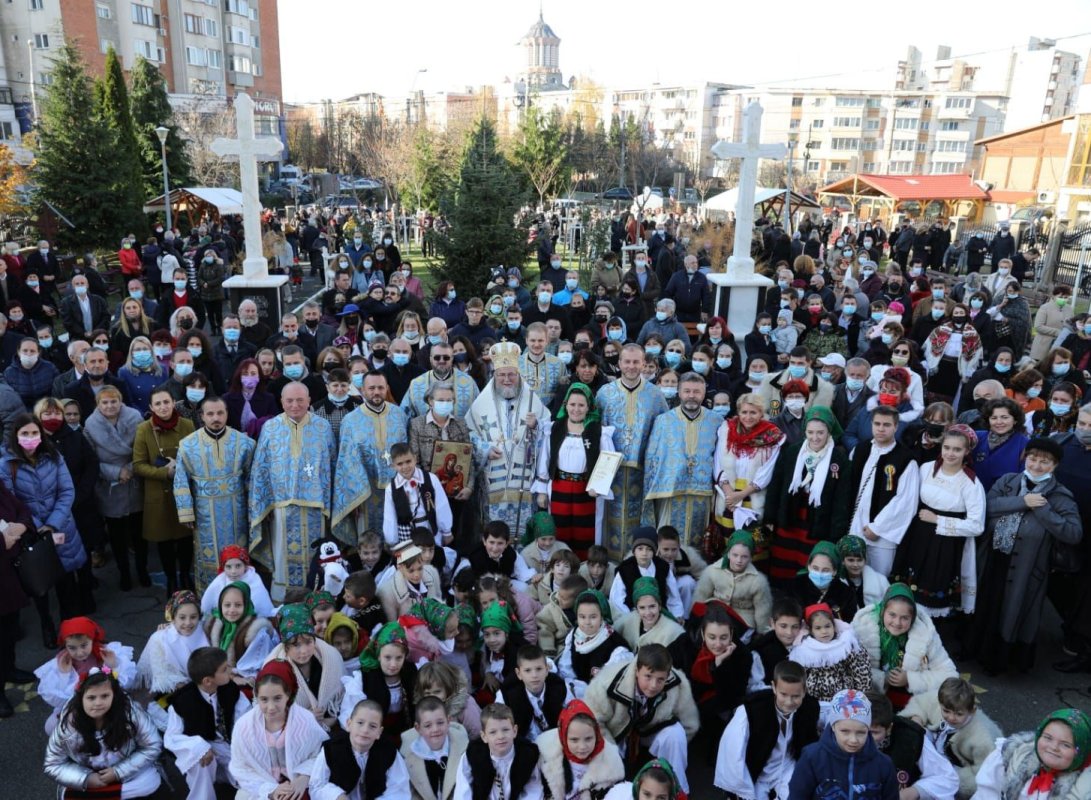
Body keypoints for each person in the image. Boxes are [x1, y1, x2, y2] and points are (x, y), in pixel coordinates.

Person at [967, 436, 1082, 674]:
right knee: (986, 606)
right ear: (1024, 458)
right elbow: (986, 507)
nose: (1037, 466)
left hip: (1027, 567)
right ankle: (974, 650)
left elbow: (1073, 533)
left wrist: (1043, 508)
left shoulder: (1060, 495)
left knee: (1012, 613)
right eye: (1032, 459)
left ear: (1055, 465)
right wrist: (1023, 502)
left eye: (1045, 462)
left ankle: (1000, 661)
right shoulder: (1008, 481)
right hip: (993, 559)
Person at [0, 412, 91, 631]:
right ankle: (47, 626)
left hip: (61, 526)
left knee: (66, 581)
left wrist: (52, 524)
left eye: (34, 433)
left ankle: (69, 628)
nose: (30, 438)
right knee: (38, 583)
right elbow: (12, 503)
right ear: (16, 436)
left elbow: (67, 491)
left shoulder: (54, 456)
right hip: (30, 532)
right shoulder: (6, 464)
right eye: (25, 433)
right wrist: (38, 526)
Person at [249, 382, 336, 601]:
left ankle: (316, 600)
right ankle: (282, 602)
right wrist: (264, 506)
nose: (295, 405)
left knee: (315, 556)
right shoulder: (270, 428)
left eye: (300, 400)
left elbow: (332, 466)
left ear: (309, 401)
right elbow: (261, 469)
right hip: (281, 507)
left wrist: (333, 503)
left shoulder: (323, 427)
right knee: (282, 559)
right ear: (281, 402)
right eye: (289, 401)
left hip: (315, 507)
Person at [890, 426, 986, 620]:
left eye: (957, 449)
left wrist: (938, 520)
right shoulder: (926, 468)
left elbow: (977, 525)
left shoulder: (971, 483)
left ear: (967, 451)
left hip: (945, 543)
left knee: (932, 586)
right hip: (917, 535)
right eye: (947, 447)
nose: (950, 453)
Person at [585, 643, 700, 793]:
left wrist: (663, 752)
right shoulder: (606, 683)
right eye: (648, 676)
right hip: (616, 735)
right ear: (637, 670)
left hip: (649, 732)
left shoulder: (677, 683)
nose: (653, 685)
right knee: (609, 773)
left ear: (668, 675)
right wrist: (611, 753)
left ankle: (676, 789)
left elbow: (689, 724)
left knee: (675, 734)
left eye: (660, 679)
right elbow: (593, 722)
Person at [174, 396, 256, 593]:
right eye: (210, 414)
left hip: (237, 512)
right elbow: (181, 480)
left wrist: (254, 510)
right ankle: (210, 598)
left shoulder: (245, 443)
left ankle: (241, 597)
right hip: (204, 514)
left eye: (220, 413)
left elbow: (253, 479)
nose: (215, 418)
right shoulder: (188, 445)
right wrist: (186, 512)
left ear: (227, 414)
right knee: (207, 557)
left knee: (237, 554)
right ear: (202, 416)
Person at [595, 343, 669, 561]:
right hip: (611, 471)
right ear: (619, 363)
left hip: (642, 470)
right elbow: (596, 428)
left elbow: (663, 432)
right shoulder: (605, 393)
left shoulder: (655, 395)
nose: (631, 366)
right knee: (608, 517)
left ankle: (636, 562)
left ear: (644, 364)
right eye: (627, 361)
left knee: (639, 518)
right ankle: (609, 562)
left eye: (636, 362)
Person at [466, 342, 547, 542]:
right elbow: (469, 435)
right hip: (494, 479)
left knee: (523, 531)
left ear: (519, 375)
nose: (507, 379)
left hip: (524, 480)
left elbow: (547, 436)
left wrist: (536, 426)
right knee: (494, 532)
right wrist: (485, 449)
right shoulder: (480, 405)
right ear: (494, 375)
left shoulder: (533, 402)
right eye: (501, 375)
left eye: (511, 374)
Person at [764, 406, 852, 583]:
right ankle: (781, 591)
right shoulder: (792, 451)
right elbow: (776, 485)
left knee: (808, 558)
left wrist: (836, 533)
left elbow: (842, 500)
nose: (815, 437)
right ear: (805, 431)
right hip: (790, 514)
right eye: (810, 432)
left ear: (829, 432)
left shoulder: (839, 459)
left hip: (818, 519)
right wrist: (770, 517)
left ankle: (803, 591)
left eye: (820, 432)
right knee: (784, 559)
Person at [43, 669, 163, 797]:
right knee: (68, 790)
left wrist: (118, 772)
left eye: (105, 696)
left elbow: (153, 745)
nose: (98, 703)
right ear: (81, 698)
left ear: (114, 695)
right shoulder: (68, 724)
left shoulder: (130, 713)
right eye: (91, 698)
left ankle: (102, 795)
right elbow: (52, 765)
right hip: (90, 775)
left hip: (124, 770)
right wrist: (86, 779)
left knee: (151, 781)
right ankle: (111, 794)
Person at [531, 382, 616, 560]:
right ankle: (560, 566)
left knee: (585, 532)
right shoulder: (555, 428)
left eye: (581, 405)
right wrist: (542, 490)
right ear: (566, 405)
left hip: (586, 490)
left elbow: (608, 460)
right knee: (560, 529)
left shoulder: (598, 431)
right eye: (572, 404)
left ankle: (585, 567)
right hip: (559, 486)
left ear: (589, 407)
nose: (576, 409)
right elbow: (545, 458)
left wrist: (599, 486)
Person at [715, 659, 821, 800]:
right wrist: (739, 788)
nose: (789, 702)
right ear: (774, 687)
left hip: (788, 767)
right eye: (783, 694)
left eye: (796, 696)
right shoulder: (752, 710)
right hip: (759, 771)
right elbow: (732, 751)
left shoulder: (810, 707)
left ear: (804, 691)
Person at [228, 659, 329, 800]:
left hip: (298, 785)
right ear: (256, 696)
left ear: (289, 694)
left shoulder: (305, 720)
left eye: (277, 698)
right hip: (260, 787)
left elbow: (322, 754)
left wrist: (304, 776)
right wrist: (271, 790)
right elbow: (240, 768)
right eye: (264, 699)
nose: (271, 707)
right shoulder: (244, 727)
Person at [641, 373, 721, 545]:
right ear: (679, 392)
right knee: (668, 540)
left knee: (699, 541)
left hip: (702, 491)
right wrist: (650, 487)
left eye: (697, 392)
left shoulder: (716, 420)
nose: (691, 396)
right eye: (687, 391)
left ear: (704, 393)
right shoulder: (663, 421)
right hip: (670, 490)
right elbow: (652, 457)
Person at [164, 645, 251, 800]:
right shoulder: (182, 702)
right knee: (199, 760)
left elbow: (245, 719)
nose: (230, 670)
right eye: (224, 669)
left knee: (249, 779)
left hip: (230, 746)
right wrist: (199, 746)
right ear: (208, 681)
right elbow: (171, 738)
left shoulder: (230, 689)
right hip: (204, 751)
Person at [853, 583, 958, 712]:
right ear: (883, 611)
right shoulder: (864, 629)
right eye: (892, 615)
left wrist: (910, 679)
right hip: (872, 702)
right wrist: (882, 678)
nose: (897, 623)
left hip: (913, 703)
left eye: (905, 618)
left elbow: (950, 675)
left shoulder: (925, 633)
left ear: (912, 618)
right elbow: (851, 671)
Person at [130, 388, 194, 596]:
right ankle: (171, 579)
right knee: (164, 541)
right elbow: (138, 465)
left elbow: (196, 456)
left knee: (185, 539)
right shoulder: (143, 429)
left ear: (174, 402)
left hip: (184, 493)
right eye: (157, 404)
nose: (163, 407)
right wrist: (164, 473)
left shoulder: (187, 425)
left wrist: (181, 469)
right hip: (159, 493)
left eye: (166, 402)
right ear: (151, 407)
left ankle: (185, 576)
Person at [333, 371, 409, 539]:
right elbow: (345, 462)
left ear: (387, 388)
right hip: (365, 492)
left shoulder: (399, 415)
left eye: (380, 388)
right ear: (363, 389)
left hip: (397, 488)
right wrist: (352, 498)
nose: (376, 392)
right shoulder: (350, 421)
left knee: (397, 537)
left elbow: (408, 451)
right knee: (368, 541)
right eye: (371, 388)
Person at [83, 386, 146, 591]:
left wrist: (130, 468)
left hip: (134, 481)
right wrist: (115, 472)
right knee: (117, 536)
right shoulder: (90, 425)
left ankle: (143, 570)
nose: (110, 406)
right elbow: (90, 459)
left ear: (121, 401)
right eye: (105, 402)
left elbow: (143, 448)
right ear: (98, 404)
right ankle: (124, 573)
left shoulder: (135, 417)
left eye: (113, 401)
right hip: (109, 485)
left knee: (139, 534)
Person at [848, 405, 921, 577]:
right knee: (852, 578)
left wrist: (878, 528)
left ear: (896, 426)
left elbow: (905, 501)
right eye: (877, 424)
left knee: (878, 581)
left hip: (882, 536)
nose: (881, 429)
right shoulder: (860, 450)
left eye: (886, 425)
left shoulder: (905, 459)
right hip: (855, 528)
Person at [901, 677, 1002, 799]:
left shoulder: (983, 738)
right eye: (946, 711)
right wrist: (917, 718)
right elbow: (920, 702)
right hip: (938, 752)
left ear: (972, 711)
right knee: (911, 733)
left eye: (959, 714)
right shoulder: (945, 700)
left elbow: (987, 773)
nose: (951, 717)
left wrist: (955, 779)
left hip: (957, 769)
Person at [787, 689, 899, 800]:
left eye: (861, 732)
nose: (853, 740)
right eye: (845, 731)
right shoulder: (812, 758)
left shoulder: (884, 765)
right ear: (833, 726)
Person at [972, 708, 1091, 800]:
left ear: (1082, 751)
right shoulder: (1014, 755)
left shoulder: (1085, 788)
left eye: (1065, 745)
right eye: (1048, 738)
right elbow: (987, 792)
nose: (1054, 747)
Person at [263, 604, 345, 732]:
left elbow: (340, 700)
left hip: (332, 724)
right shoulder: (273, 669)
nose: (304, 651)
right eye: (296, 645)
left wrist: (329, 720)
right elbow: (268, 712)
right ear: (286, 646)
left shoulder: (330, 657)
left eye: (308, 642)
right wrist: (304, 717)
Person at [309, 698, 412, 800]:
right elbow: (317, 786)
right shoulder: (331, 749)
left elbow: (399, 789)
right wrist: (337, 796)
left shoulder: (388, 751)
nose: (365, 730)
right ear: (349, 724)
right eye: (360, 723)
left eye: (372, 726)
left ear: (379, 732)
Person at [791, 603, 872, 702]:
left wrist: (860, 697)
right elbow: (799, 675)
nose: (824, 631)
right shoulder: (804, 650)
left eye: (827, 626)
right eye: (818, 628)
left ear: (834, 625)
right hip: (815, 700)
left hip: (845, 699)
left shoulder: (846, 645)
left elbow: (861, 670)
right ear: (811, 630)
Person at [382, 443, 453, 547]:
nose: (405, 467)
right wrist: (392, 541)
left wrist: (447, 531)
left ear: (415, 459)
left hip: (429, 528)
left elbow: (441, 506)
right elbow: (390, 517)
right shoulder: (391, 489)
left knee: (431, 553)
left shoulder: (431, 479)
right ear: (393, 466)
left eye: (408, 461)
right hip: (407, 535)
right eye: (400, 464)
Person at [971, 397, 1029, 491]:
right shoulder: (976, 437)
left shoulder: (1024, 444)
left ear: (1015, 420)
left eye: (1005, 417)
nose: (999, 422)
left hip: (1002, 496)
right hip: (972, 493)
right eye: (994, 418)